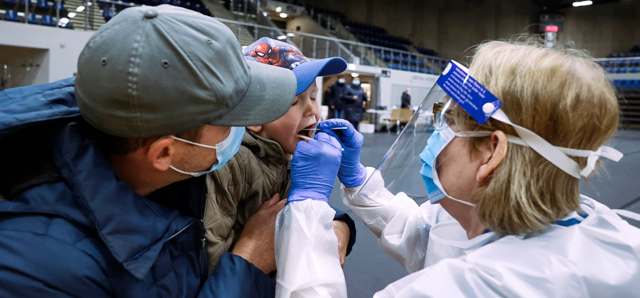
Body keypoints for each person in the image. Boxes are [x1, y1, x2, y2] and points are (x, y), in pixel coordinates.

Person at [283, 40, 640, 297]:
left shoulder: (477, 287)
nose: (437, 135)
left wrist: (307, 210)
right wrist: (360, 182)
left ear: (492, 152)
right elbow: (427, 236)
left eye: (450, 121)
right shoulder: (600, 237)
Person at [0, 5, 299, 297]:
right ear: (163, 154)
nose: (245, 128)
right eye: (232, 121)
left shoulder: (138, 140)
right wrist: (248, 262)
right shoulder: (41, 270)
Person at [202, 37, 356, 271]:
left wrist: (337, 224)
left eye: (313, 97)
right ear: (254, 118)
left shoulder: (287, 156)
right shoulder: (231, 164)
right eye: (294, 102)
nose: (312, 110)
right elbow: (210, 261)